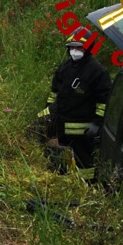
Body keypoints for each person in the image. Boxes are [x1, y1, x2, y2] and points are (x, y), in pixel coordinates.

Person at [36, 34, 112, 178]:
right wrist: (49, 111)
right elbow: (54, 92)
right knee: (61, 157)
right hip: (61, 124)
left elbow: (104, 100)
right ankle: (63, 181)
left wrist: (97, 123)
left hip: (83, 129)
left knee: (83, 161)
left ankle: (87, 187)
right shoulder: (65, 67)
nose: (74, 51)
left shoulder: (98, 71)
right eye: (72, 47)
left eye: (79, 47)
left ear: (88, 48)